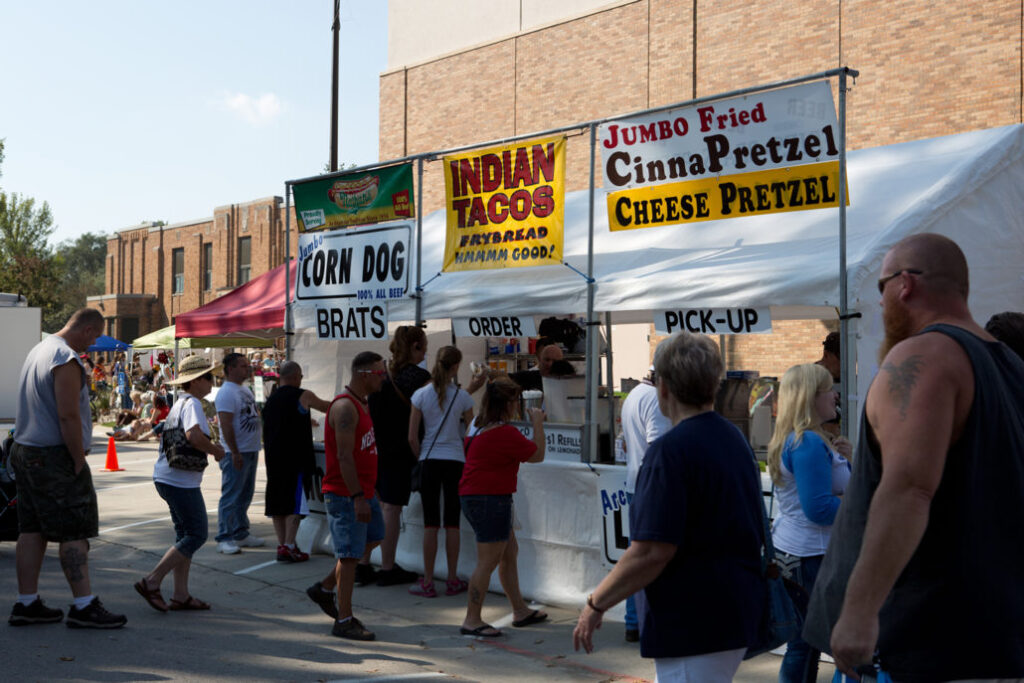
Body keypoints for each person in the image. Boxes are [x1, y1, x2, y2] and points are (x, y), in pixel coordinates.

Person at [804, 233, 1024, 681]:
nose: (881, 305)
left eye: (881, 288)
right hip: (991, 637)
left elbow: (909, 487)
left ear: (905, 284)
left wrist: (861, 611)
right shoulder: (1013, 368)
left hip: (928, 644)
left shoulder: (924, 357)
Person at [573, 331, 765, 682]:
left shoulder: (670, 452)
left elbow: (650, 551)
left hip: (694, 620)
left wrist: (595, 603)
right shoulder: (732, 437)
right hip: (731, 611)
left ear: (663, 387)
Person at [8, 308, 127, 629]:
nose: (93, 344)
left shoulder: (40, 350)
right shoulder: (65, 358)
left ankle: (26, 602)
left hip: (26, 449)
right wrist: (77, 458)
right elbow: (68, 415)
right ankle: (83, 605)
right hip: (53, 455)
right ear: (88, 330)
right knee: (74, 530)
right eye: (95, 337)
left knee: (31, 530)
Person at [766, 363, 851, 683]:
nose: (835, 395)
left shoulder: (805, 438)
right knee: (808, 644)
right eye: (828, 389)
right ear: (809, 398)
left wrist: (848, 461)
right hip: (809, 555)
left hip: (802, 552)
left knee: (805, 644)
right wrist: (860, 506)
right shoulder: (808, 442)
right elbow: (818, 508)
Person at [133, 355, 226, 613]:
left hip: (169, 476)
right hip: (179, 480)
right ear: (195, 381)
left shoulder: (180, 403)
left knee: (184, 537)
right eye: (209, 377)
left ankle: (181, 594)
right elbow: (193, 436)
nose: (212, 381)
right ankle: (152, 580)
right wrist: (215, 451)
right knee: (196, 534)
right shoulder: (193, 404)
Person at [458, 377, 548, 638]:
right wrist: (538, 424)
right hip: (490, 498)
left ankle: (519, 610)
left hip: (476, 495)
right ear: (508, 404)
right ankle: (472, 619)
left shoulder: (476, 424)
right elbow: (537, 455)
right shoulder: (504, 432)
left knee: (509, 552)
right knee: (487, 561)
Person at [320, 351, 388, 640]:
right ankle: (343, 619)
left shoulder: (362, 404)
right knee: (349, 557)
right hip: (347, 494)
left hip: (363, 490)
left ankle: (324, 588)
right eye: (380, 373)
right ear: (364, 375)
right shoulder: (346, 408)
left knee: (374, 537)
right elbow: (345, 457)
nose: (383, 378)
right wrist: (358, 496)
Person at [364, 325, 430, 586]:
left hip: (377, 447)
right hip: (401, 449)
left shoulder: (382, 372)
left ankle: (364, 562)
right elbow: (435, 409)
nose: (425, 351)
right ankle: (388, 566)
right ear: (415, 346)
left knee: (380, 506)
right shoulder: (419, 377)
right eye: (423, 346)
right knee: (391, 508)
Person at [407, 346, 475, 598]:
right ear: (456, 366)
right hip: (455, 460)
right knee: (452, 523)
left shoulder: (420, 395)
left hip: (429, 460)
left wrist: (421, 457)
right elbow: (471, 434)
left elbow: (412, 437)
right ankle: (452, 578)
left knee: (430, 524)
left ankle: (427, 580)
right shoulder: (463, 397)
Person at [619, 364, 672, 642]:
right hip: (650, 488)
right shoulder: (653, 399)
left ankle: (634, 620)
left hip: (636, 484)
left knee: (638, 554)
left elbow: (627, 444)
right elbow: (658, 449)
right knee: (648, 556)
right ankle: (640, 620)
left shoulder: (635, 395)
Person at [261, 360, 331, 562]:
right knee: (295, 504)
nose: (301, 380)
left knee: (277, 502)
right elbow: (326, 407)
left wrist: (304, 420)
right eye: (300, 377)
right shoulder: (303, 395)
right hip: (296, 458)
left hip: (274, 457)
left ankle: (283, 545)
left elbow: (283, 421)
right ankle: (290, 544)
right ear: (295, 376)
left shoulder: (271, 399)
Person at [214, 352, 265, 554]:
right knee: (231, 495)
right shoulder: (227, 392)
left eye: (247, 365)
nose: (247, 368)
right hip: (237, 452)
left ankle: (240, 532)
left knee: (245, 495)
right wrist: (234, 452)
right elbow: (226, 424)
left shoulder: (244, 390)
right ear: (230, 369)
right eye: (243, 366)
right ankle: (224, 537)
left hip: (250, 449)